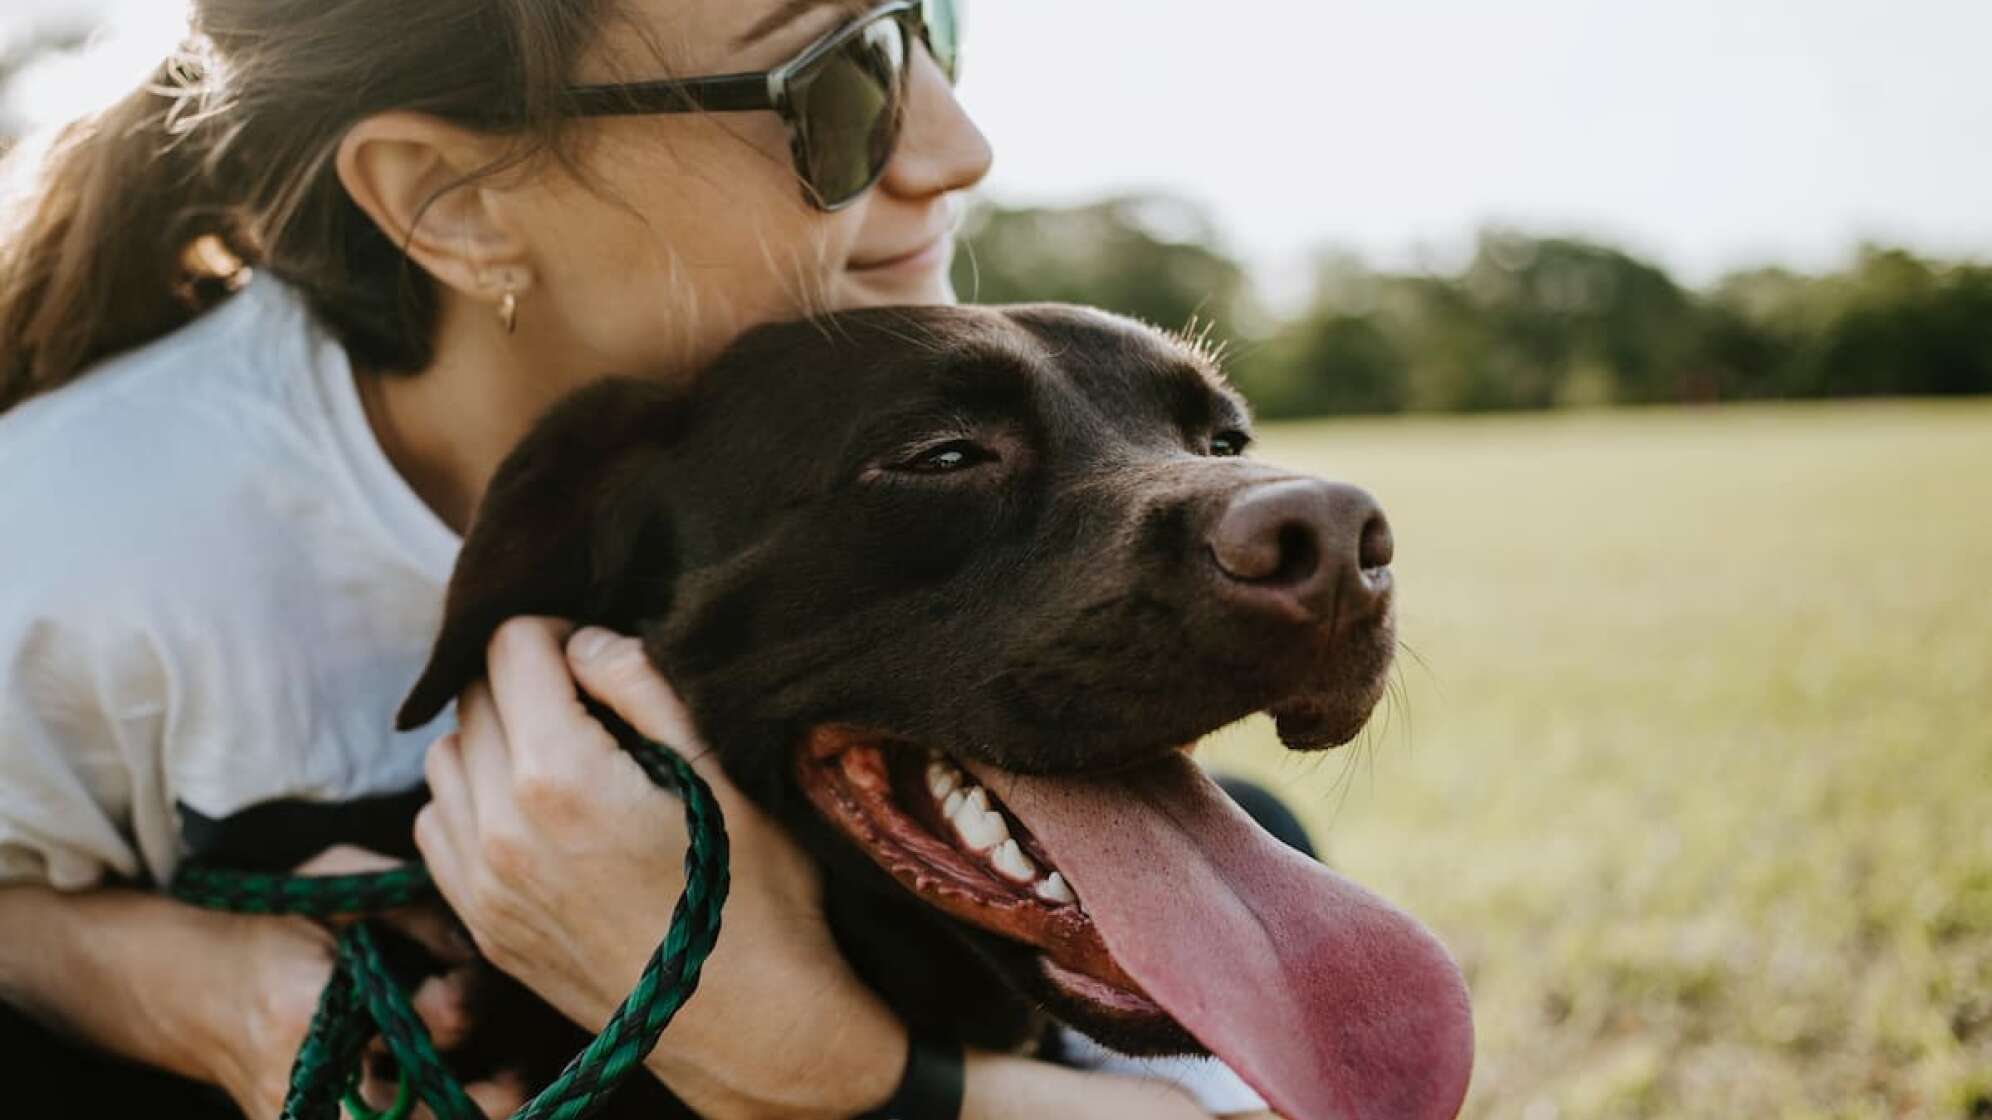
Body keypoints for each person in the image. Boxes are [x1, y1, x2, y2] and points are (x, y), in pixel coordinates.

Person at [0, 2, 1286, 1117]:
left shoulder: (817, 427)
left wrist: (816, 1058)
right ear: (454, 203)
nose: (957, 146)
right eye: (835, 81)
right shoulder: (72, 542)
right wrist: (195, 993)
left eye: (925, 22)